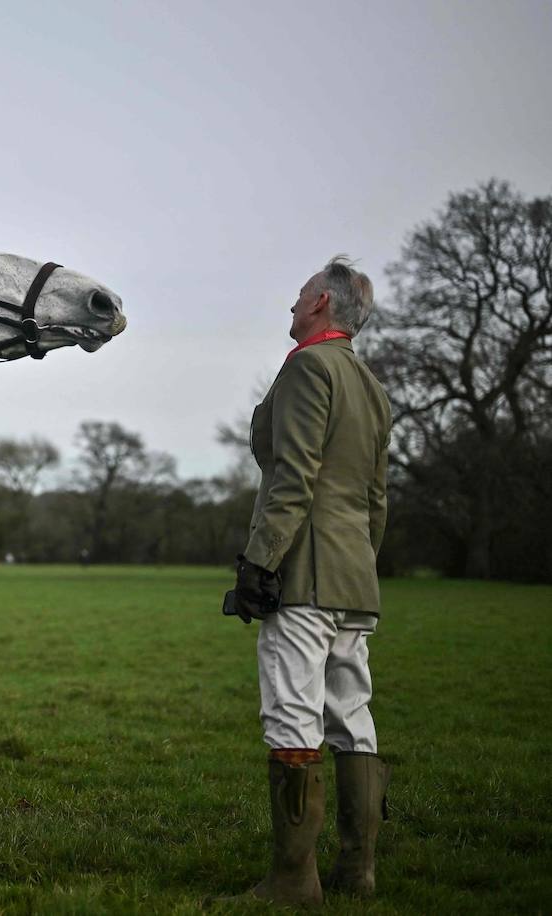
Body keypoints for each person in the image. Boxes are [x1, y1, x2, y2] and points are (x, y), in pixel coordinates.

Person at [224, 256, 392, 905]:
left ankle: (293, 880)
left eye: (299, 297)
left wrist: (260, 562)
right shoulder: (370, 385)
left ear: (321, 303)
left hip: (305, 572)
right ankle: (358, 870)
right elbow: (376, 498)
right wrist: (362, 563)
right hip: (355, 575)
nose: (291, 307)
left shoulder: (307, 367)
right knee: (352, 715)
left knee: (292, 713)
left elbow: (294, 477)